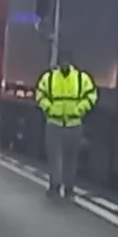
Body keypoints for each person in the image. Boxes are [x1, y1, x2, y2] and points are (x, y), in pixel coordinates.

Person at [35, 50, 98, 197]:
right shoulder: (49, 78)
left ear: (71, 62)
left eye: (67, 61)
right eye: (62, 61)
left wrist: (80, 108)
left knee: (71, 157)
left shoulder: (81, 78)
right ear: (58, 62)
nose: (64, 63)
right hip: (54, 122)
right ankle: (55, 185)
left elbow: (92, 95)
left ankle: (69, 187)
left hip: (74, 123)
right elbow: (40, 94)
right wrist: (49, 108)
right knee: (54, 156)